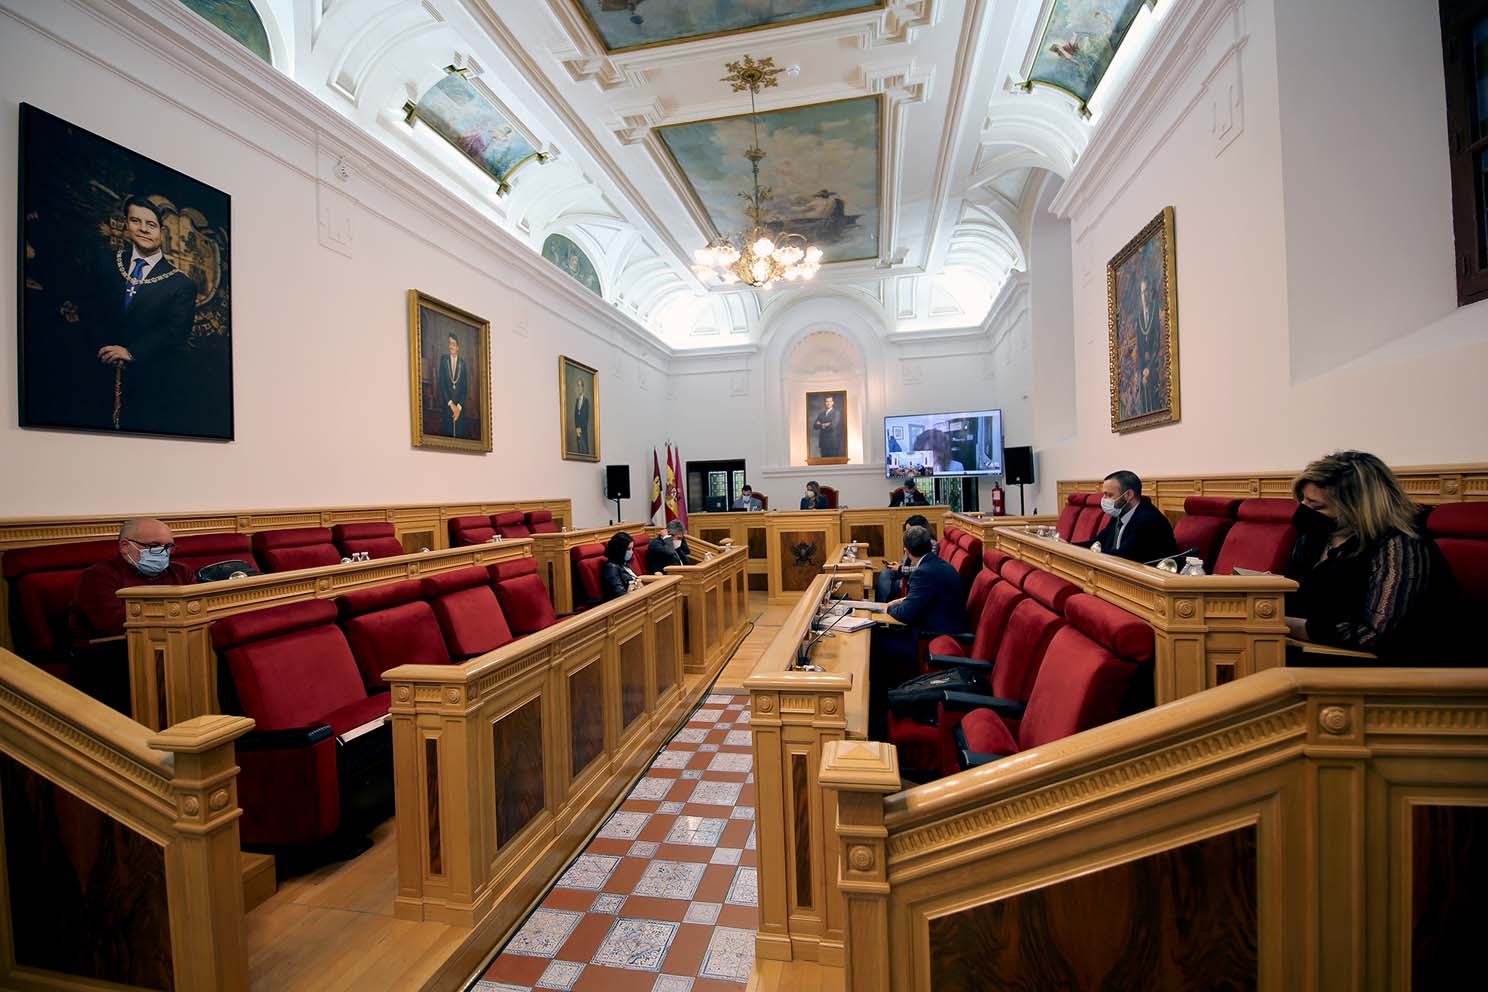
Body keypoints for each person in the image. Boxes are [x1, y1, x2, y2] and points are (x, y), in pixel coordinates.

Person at [1283, 451, 1455, 659]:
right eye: (1303, 500)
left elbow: (1375, 636)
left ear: (1357, 508)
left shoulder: (1400, 547)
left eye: (1316, 505)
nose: (1304, 509)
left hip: (1378, 670)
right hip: (1308, 648)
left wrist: (1285, 625)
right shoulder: (1316, 537)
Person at [75, 195, 198, 433]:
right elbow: (90, 306)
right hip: (95, 368)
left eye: (150, 224)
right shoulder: (106, 262)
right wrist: (104, 348)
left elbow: (174, 332)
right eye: (136, 221)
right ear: (127, 224)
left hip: (148, 379)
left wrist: (132, 352)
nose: (143, 229)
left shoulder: (181, 284)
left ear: (162, 231)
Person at [71, 518, 195, 639]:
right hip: (112, 650)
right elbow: (113, 625)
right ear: (125, 546)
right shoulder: (97, 577)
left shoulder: (181, 572)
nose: (163, 552)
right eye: (154, 545)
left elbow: (197, 610)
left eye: (168, 546)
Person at [1080, 470, 1177, 564]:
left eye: (1109, 495)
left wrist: (1093, 553)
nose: (1104, 500)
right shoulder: (1119, 514)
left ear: (1128, 495)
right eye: (1104, 495)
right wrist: (1069, 546)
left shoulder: (1149, 520)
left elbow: (1123, 557)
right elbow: (1098, 541)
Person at [875, 514, 933, 601]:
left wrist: (900, 568)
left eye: (910, 531)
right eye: (906, 531)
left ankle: (882, 605)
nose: (907, 534)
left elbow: (923, 568)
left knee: (887, 582)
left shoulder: (929, 544)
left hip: (912, 576)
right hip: (905, 572)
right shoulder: (911, 541)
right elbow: (906, 561)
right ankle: (879, 604)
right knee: (886, 573)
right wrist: (898, 565)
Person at [437, 332, 468, 439]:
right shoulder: (444, 360)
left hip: (459, 410)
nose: (451, 346)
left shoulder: (463, 364)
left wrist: (458, 408)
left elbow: (465, 389)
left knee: (458, 437)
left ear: (458, 347)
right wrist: (451, 404)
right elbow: (442, 384)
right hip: (447, 406)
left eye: (453, 344)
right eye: (450, 343)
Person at [599, 532, 637, 602]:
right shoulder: (611, 568)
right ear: (619, 550)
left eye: (632, 549)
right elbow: (620, 594)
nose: (631, 552)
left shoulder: (624, 563)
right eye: (628, 549)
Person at [813, 394, 845, 458]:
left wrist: (821, 424)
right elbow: (815, 426)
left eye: (830, 401)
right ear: (825, 403)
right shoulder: (821, 414)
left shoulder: (836, 413)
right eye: (826, 401)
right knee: (823, 465)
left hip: (832, 443)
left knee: (833, 464)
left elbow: (832, 426)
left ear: (833, 402)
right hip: (823, 443)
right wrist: (825, 424)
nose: (828, 403)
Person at [572, 378, 592, 456]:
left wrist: (581, 429)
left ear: (583, 388)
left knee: (584, 449)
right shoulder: (577, 400)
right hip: (578, 431)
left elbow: (586, 418)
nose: (579, 388)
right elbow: (575, 416)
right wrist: (577, 428)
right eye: (578, 386)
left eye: (580, 386)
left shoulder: (586, 401)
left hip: (583, 430)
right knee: (579, 450)